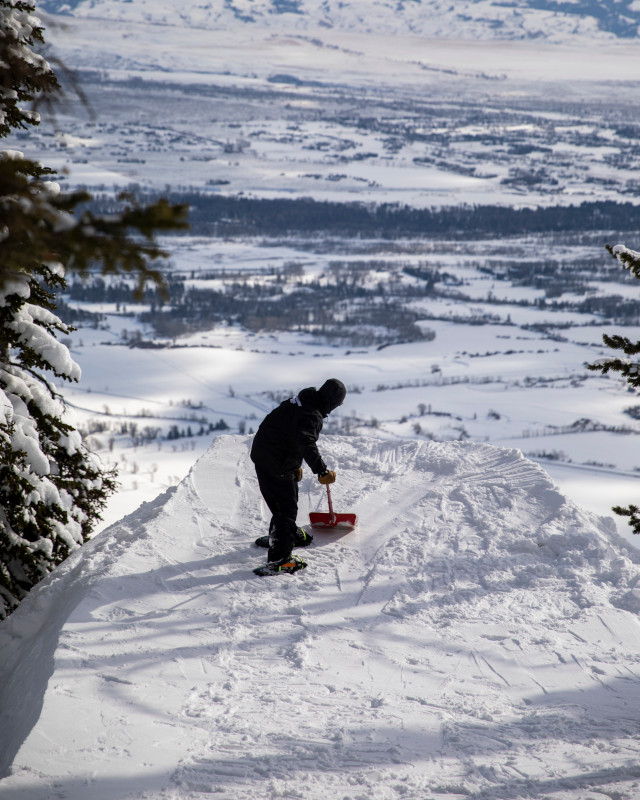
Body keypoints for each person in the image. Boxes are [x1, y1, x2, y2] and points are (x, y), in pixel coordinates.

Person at [250, 378, 346, 576]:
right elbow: (306, 442)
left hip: (267, 453)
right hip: (274, 460)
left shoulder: (303, 401)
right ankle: (280, 560)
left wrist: (294, 464)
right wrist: (322, 471)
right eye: (338, 404)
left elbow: (290, 433)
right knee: (285, 509)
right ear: (332, 401)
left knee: (285, 499)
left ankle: (285, 535)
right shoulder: (311, 415)